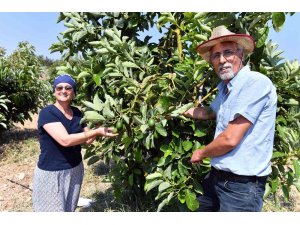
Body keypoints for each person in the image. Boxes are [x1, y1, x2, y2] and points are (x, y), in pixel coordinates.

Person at [183, 26, 277, 212]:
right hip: (217, 178)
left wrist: (201, 153)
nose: (222, 59)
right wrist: (182, 111)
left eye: (228, 52)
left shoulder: (255, 83)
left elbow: (229, 139)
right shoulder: (225, 89)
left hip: (242, 188)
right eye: (216, 55)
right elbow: (210, 112)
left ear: (241, 54)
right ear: (211, 61)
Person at [32, 74, 117, 212]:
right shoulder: (47, 113)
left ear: (74, 92)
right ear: (54, 91)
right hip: (53, 172)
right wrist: (97, 131)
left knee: (68, 209)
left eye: (68, 87)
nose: (63, 90)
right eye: (59, 87)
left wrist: (100, 126)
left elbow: (88, 140)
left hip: (75, 169)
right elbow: (65, 140)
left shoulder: (77, 112)